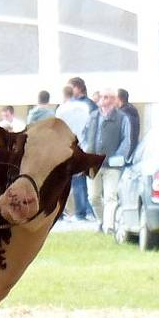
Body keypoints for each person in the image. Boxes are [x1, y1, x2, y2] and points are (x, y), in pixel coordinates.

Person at [83, 88, 132, 233]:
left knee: (111, 197)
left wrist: (117, 157)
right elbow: (84, 137)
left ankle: (109, 227)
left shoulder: (122, 118)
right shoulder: (92, 117)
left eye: (105, 97)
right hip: (93, 164)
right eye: (101, 98)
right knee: (93, 197)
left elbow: (126, 141)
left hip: (112, 166)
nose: (101, 100)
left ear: (112, 99)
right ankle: (101, 220)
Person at [56, 85, 92, 220]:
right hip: (81, 145)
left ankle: (60, 212)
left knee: (61, 181)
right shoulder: (84, 108)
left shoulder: (61, 109)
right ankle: (81, 212)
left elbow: (58, 128)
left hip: (65, 146)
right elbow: (88, 126)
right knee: (79, 181)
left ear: (63, 95)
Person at [117, 88, 141, 159]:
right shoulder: (129, 110)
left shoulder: (125, 113)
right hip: (129, 152)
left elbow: (127, 136)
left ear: (118, 99)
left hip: (125, 155)